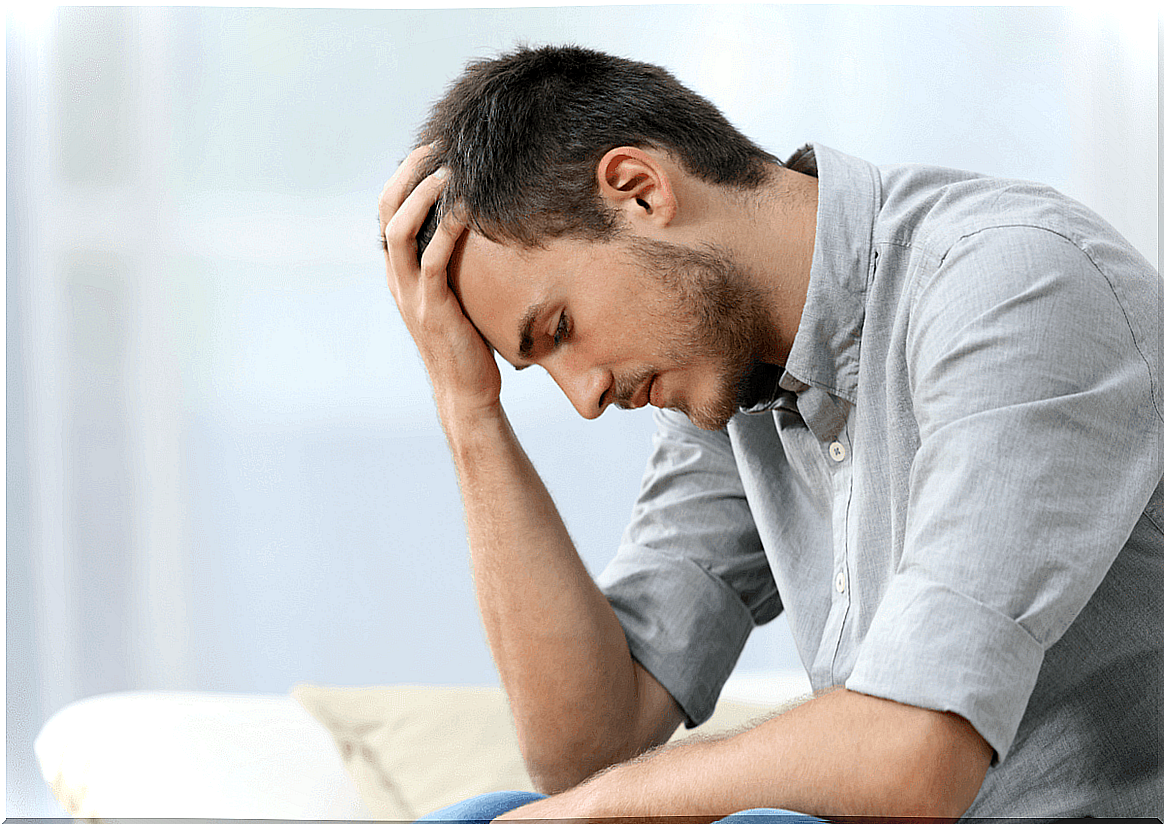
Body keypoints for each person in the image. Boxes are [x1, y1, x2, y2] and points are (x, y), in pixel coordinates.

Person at [377, 45, 1162, 820]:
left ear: (639, 191)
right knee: (479, 817)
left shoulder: (1014, 284)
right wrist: (467, 408)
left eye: (559, 328)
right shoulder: (732, 371)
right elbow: (586, 748)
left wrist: (604, 803)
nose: (584, 398)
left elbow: (914, 752)